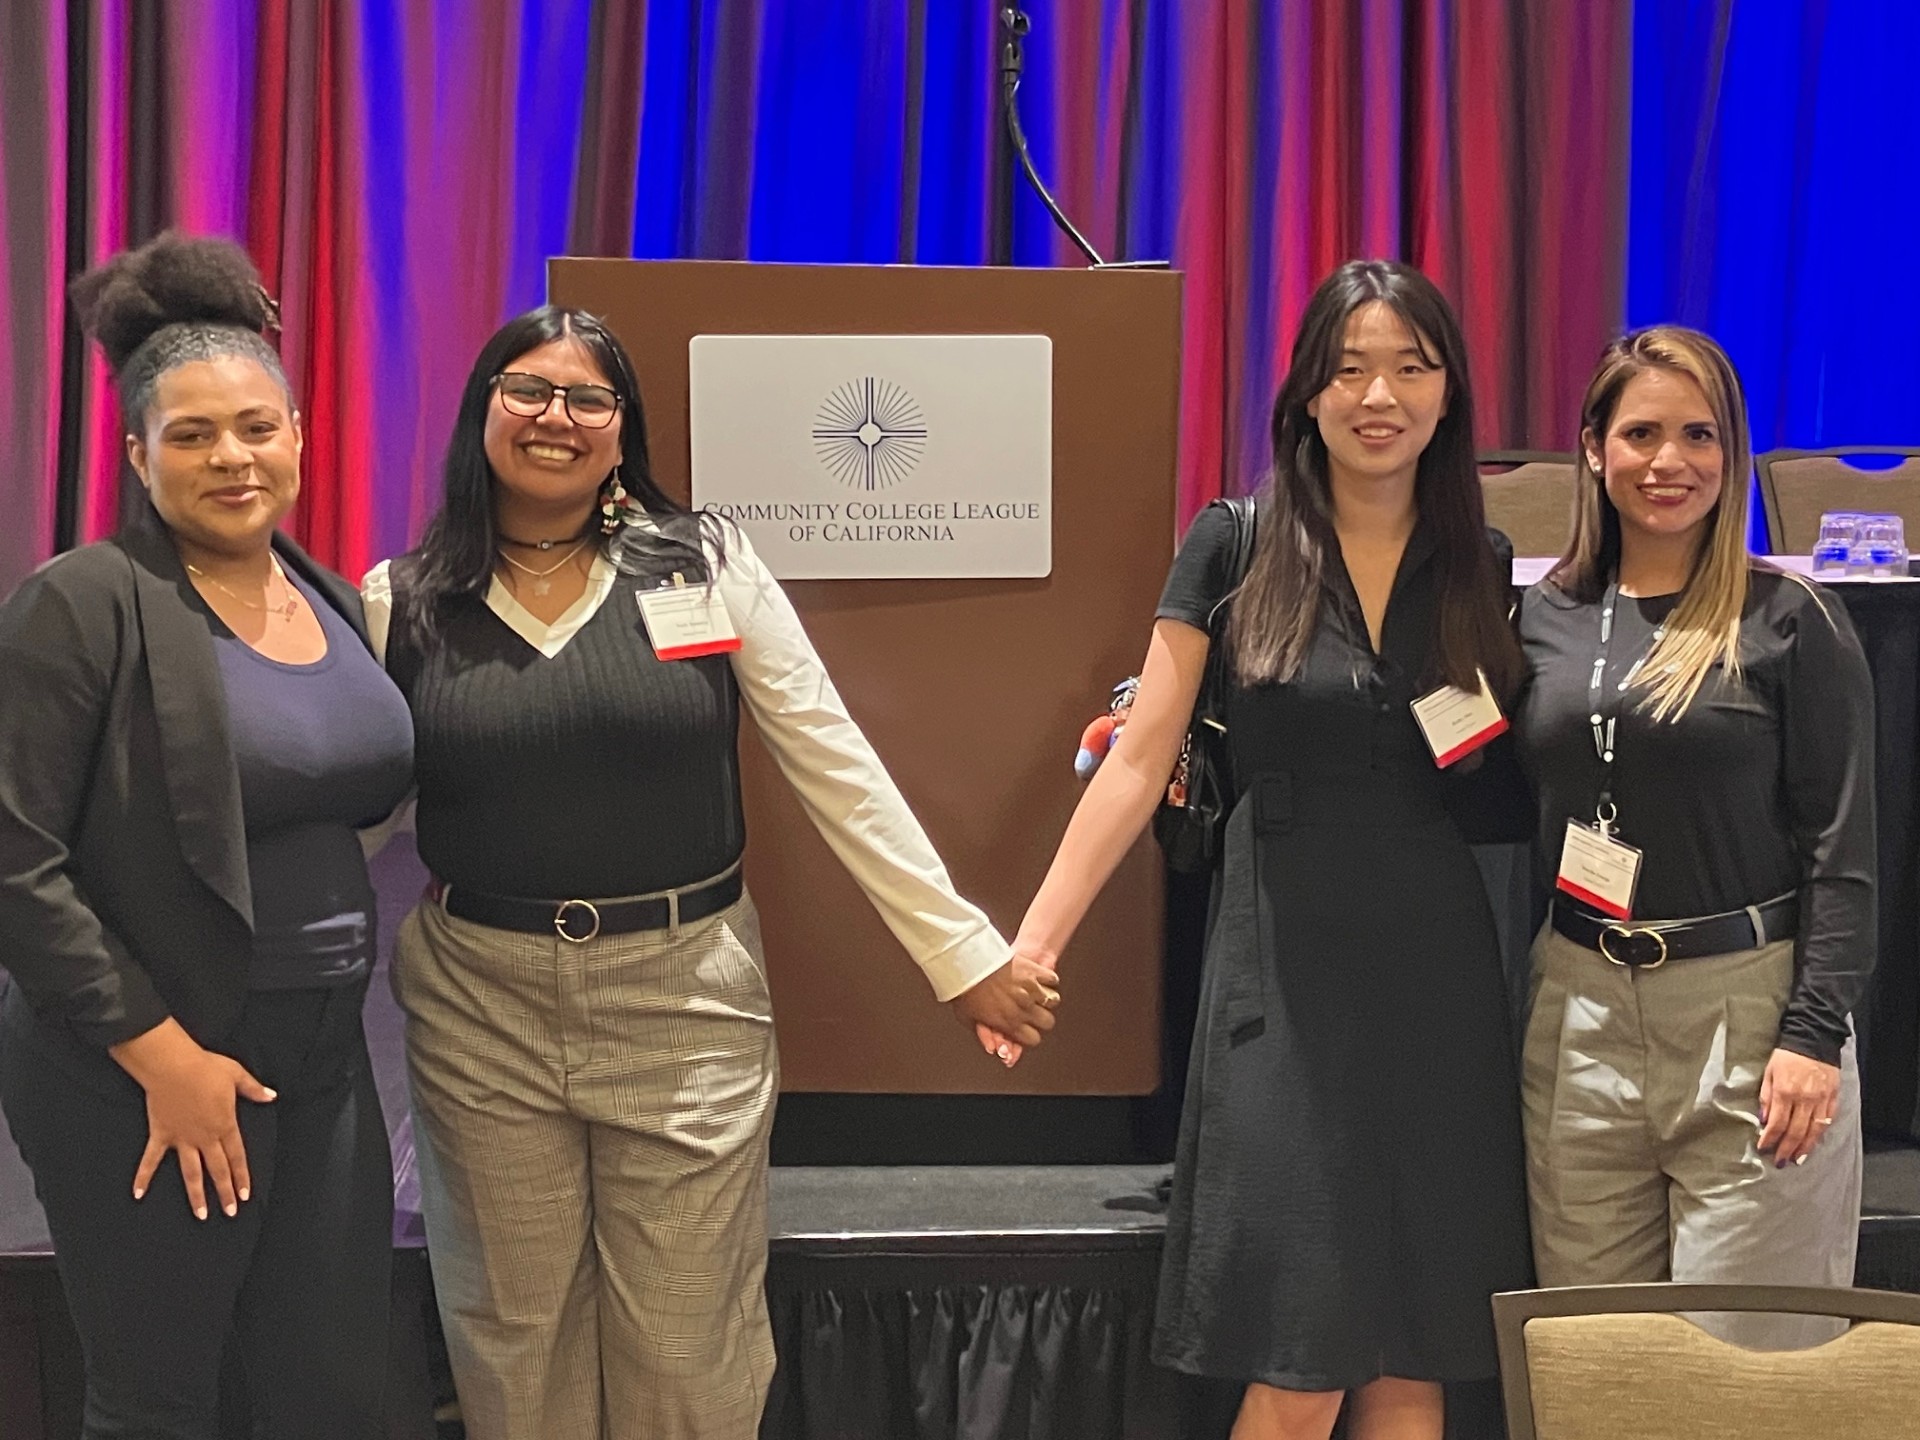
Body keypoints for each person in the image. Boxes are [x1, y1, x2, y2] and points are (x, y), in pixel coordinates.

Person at [360, 304, 1057, 1439]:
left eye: (589, 398)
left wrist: (961, 954)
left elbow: (836, 763)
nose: (556, 417)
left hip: (684, 1001)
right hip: (478, 1006)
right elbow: (347, 812)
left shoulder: (706, 563)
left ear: (623, 429)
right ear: (481, 405)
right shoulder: (400, 599)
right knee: (512, 1347)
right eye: (527, 389)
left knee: (690, 1357)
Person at [1010, 260, 1533, 1440]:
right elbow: (1141, 757)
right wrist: (1033, 946)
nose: (1379, 394)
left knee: (1414, 1357)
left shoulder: (1481, 563)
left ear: (1448, 396)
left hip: (1434, 966)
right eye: (1349, 369)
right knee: (1299, 1360)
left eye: (1411, 366)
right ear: (1305, 395)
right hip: (1284, 967)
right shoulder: (1235, 542)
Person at [0, 232, 412, 1437]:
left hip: (324, 1064)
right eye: (191, 435)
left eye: (256, 426)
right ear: (138, 453)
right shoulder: (81, 602)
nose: (231, 457)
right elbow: (18, 862)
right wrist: (163, 1059)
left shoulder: (326, 594)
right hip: (143, 1070)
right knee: (160, 1398)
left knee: (324, 1391)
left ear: (296, 435)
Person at [1512, 325, 1872, 1348]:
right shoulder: (1545, 614)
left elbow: (1844, 852)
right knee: (1594, 1368)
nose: (1669, 462)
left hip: (1750, 1020)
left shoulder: (1790, 618)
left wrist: (1811, 1037)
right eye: (1641, 434)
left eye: (1699, 436)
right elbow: (1481, 782)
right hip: (1577, 1015)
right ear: (1592, 448)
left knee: (1746, 1381)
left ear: (1733, 453)